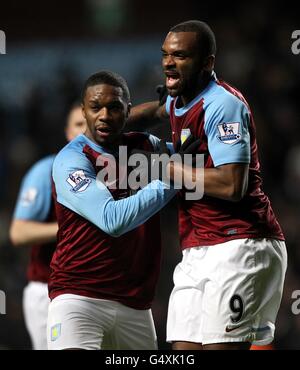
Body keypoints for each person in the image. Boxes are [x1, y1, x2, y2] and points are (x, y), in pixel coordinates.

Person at [128, 20, 287, 350]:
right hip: (197, 250)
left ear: (207, 62)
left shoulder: (223, 105)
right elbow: (156, 109)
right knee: (182, 353)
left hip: (239, 242)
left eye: (181, 55)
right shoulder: (181, 99)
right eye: (166, 55)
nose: (168, 62)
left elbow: (232, 184)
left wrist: (167, 168)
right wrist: (110, 121)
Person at [47, 70, 198, 350]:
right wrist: (173, 175)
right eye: (95, 107)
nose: (104, 115)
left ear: (127, 111)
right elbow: (112, 219)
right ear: (84, 111)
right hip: (79, 300)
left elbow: (195, 156)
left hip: (136, 306)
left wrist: (184, 112)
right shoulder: (73, 159)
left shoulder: (142, 146)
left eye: (114, 107)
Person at [9, 103, 86, 350]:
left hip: (97, 291)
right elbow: (19, 232)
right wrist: (69, 230)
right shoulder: (47, 171)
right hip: (48, 289)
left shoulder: (113, 172)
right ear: (67, 132)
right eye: (78, 124)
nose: (85, 131)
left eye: (89, 123)